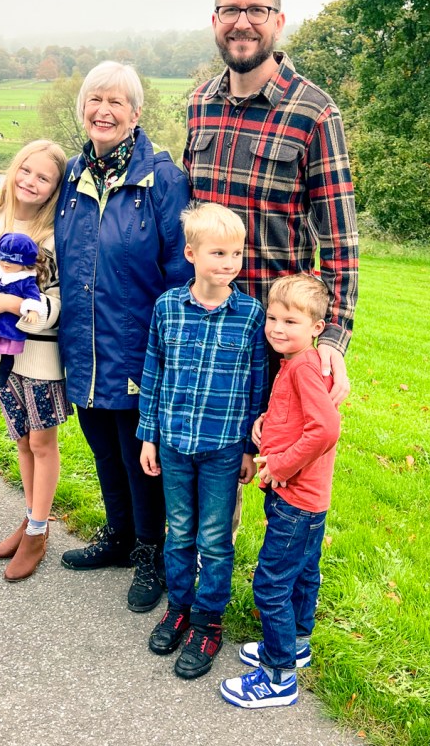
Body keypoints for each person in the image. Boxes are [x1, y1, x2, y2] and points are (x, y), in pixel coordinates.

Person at [184, 0, 358, 404]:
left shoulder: (314, 112)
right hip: (202, 333)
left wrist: (333, 336)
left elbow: (340, 240)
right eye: (230, 10)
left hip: (273, 339)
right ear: (215, 21)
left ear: (278, 22)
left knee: (276, 451)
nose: (242, 23)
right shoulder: (199, 104)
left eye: (256, 11)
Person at [54, 60, 193, 613]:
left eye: (116, 102)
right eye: (95, 100)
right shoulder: (72, 175)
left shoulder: (162, 180)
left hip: (138, 346)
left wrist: (171, 348)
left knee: (141, 457)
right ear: (82, 109)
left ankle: (150, 553)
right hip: (84, 342)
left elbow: (180, 269)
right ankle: (118, 535)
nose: (104, 111)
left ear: (135, 113)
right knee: (103, 446)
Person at [138, 203, 268, 680]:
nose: (229, 262)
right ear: (191, 254)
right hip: (174, 443)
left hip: (224, 449)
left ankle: (207, 621)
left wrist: (251, 449)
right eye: (218, 253)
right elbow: (153, 373)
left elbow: (257, 386)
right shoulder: (167, 308)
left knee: (214, 539)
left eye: (236, 253)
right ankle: (179, 607)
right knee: (179, 533)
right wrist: (148, 436)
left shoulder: (250, 315)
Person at [219, 273, 340, 709]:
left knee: (271, 584)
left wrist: (281, 466)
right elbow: (296, 414)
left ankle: (278, 676)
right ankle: (296, 643)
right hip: (308, 500)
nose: (276, 328)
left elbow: (325, 428)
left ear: (316, 328)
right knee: (304, 572)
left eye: (290, 321)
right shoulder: (296, 362)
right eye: (272, 318)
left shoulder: (304, 367)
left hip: (296, 498)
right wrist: (267, 422)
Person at [0, 139, 70, 582]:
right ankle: (32, 517)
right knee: (22, 441)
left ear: (55, 188)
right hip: (0, 354)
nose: (30, 181)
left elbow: (57, 308)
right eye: (25, 170)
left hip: (40, 358)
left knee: (42, 444)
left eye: (43, 177)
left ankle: (37, 532)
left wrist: (11, 306)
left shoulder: (53, 240)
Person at [0, 232, 46, 389]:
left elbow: (34, 298)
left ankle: (2, 377)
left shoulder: (25, 281)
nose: (5, 263)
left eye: (12, 260)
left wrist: (33, 311)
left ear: (25, 263)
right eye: (2, 258)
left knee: (7, 353)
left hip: (10, 324)